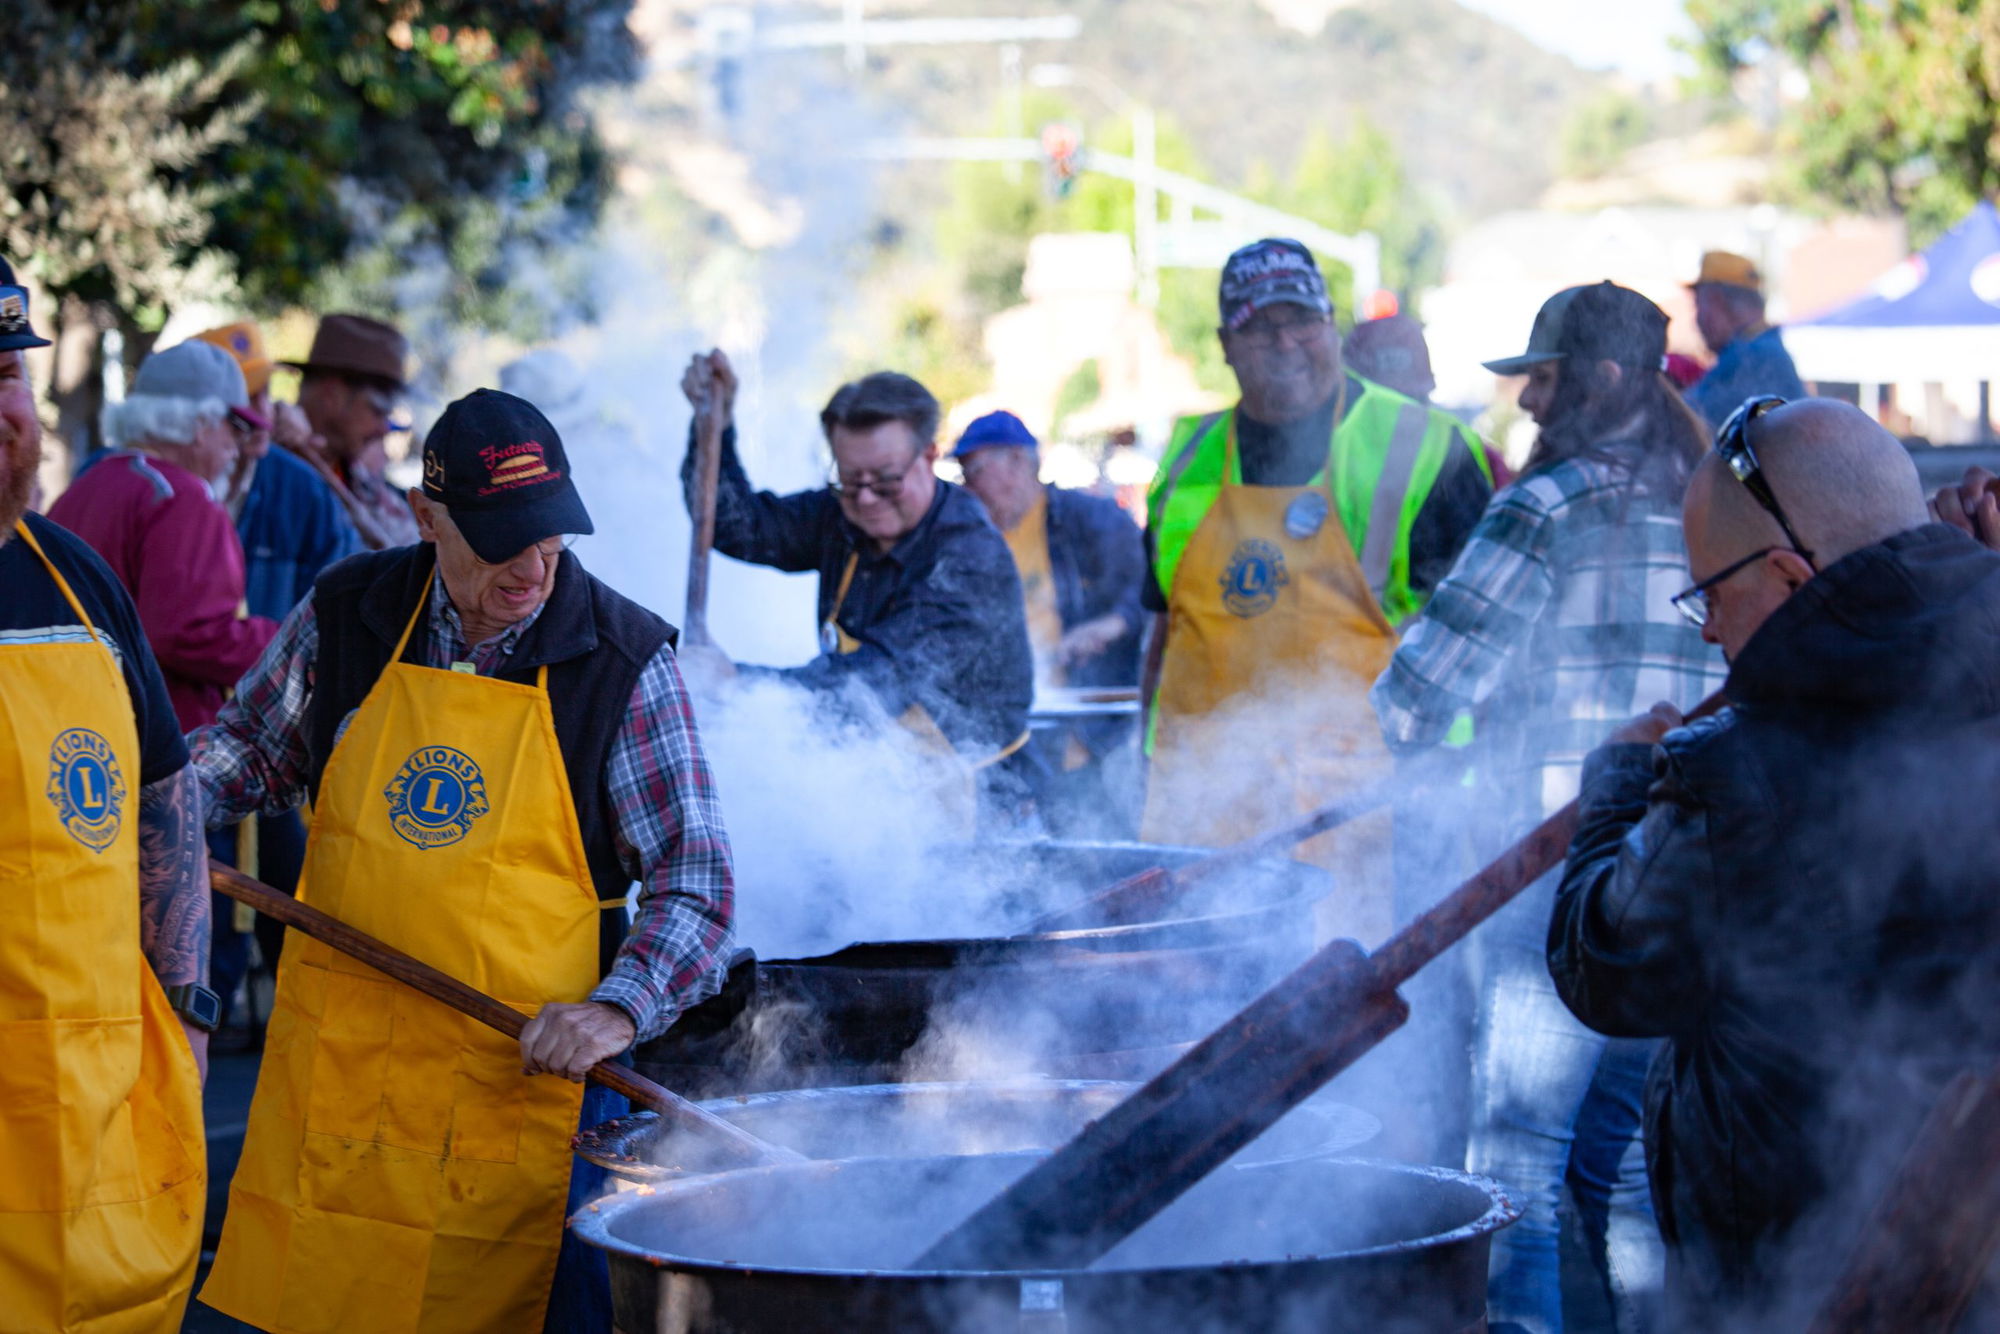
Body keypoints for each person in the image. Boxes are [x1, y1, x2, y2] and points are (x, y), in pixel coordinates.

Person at [190, 388, 736, 1334]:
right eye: (501, 539)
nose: (532, 567)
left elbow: (697, 883)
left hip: (518, 1096)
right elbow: (248, 750)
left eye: (552, 537)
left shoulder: (620, 657)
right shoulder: (351, 612)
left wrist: (617, 1008)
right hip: (342, 1081)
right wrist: (146, 812)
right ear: (427, 516)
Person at [1549, 396, 2000, 1330]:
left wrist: (1621, 784)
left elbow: (1604, 966)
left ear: (1792, 578)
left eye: (1710, 594)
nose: (1708, 631)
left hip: (1795, 1281)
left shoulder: (1734, 774)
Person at [1373, 282, 1726, 1334]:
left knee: (1515, 1152)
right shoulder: (1712, 501)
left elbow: (1414, 695)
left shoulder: (1549, 502)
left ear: (1601, 379)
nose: (1526, 400)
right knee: (1618, 1157)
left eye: (1542, 376)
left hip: (1557, 862)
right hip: (1684, 862)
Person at [1140, 238, 1492, 939]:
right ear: (1225, 344)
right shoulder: (1185, 458)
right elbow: (1163, 629)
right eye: (1259, 326)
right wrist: (1139, 769)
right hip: (1201, 812)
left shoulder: (1421, 445)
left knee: (1354, 1016)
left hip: (1359, 809)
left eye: (1302, 320)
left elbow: (1482, 639)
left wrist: (1448, 787)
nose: (1285, 342)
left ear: (1331, 325)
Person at [0, 256, 212, 1332]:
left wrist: (191, 1011)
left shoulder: (78, 579)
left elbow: (166, 804)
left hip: (100, 1123)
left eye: (7, 376)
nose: (2, 409)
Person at [677, 353, 1035, 830]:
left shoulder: (970, 559)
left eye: (886, 480)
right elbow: (736, 526)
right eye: (849, 480)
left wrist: (736, 682)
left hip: (979, 806)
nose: (866, 499)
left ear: (928, 457)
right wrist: (714, 426)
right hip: (878, 785)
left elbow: (873, 685)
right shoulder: (840, 516)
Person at [194, 319, 361, 1026]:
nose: (255, 417)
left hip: (279, 740)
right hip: (187, 742)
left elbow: (350, 602)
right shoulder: (162, 484)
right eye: (241, 402)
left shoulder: (297, 488)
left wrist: (266, 647)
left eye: (261, 395)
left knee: (292, 910)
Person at [49, 339, 279, 732]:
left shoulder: (87, 485)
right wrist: (286, 640)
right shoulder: (182, 496)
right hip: (160, 735)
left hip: (75, 720)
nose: (237, 447)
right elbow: (190, 634)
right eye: (235, 427)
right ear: (200, 424)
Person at [954, 408, 1146, 832]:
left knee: (1089, 852)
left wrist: (1110, 624)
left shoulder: (1090, 521)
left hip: (1080, 734)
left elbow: (1152, 587)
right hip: (1005, 735)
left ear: (1019, 463)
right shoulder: (968, 536)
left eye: (974, 471)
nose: (967, 487)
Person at [283, 311, 421, 548]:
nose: (383, 429)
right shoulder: (258, 464)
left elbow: (409, 562)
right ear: (331, 394)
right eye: (377, 412)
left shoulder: (365, 485)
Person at [1682, 250, 1806, 429]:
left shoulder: (1754, 357)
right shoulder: (1761, 351)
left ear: (1715, 301)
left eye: (1697, 305)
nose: (1696, 320)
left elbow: (1685, 424)